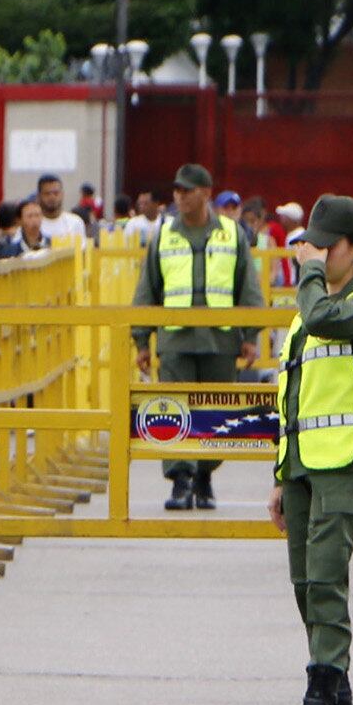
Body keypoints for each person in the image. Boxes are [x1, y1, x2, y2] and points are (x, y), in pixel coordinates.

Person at [266, 194, 353, 705]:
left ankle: (319, 693)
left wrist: (310, 276)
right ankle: (338, 699)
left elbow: (321, 316)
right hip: (302, 463)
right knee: (304, 581)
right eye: (311, 246)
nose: (315, 255)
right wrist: (280, 474)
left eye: (327, 247)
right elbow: (291, 395)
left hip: (346, 461)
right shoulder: (309, 314)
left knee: (325, 577)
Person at [133, 163, 264, 512]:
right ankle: (180, 480)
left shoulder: (231, 234)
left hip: (220, 341)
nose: (179, 196)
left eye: (186, 190)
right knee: (173, 410)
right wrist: (141, 341)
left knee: (217, 411)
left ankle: (205, 476)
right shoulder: (164, 235)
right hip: (175, 341)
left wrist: (251, 335)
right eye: (176, 191)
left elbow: (247, 286)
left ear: (205, 193)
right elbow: (147, 289)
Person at [33, 174, 89, 247]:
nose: (52, 197)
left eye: (56, 193)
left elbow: (82, 252)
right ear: (39, 196)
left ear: (62, 194)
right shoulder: (32, 224)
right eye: (47, 194)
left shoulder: (75, 223)